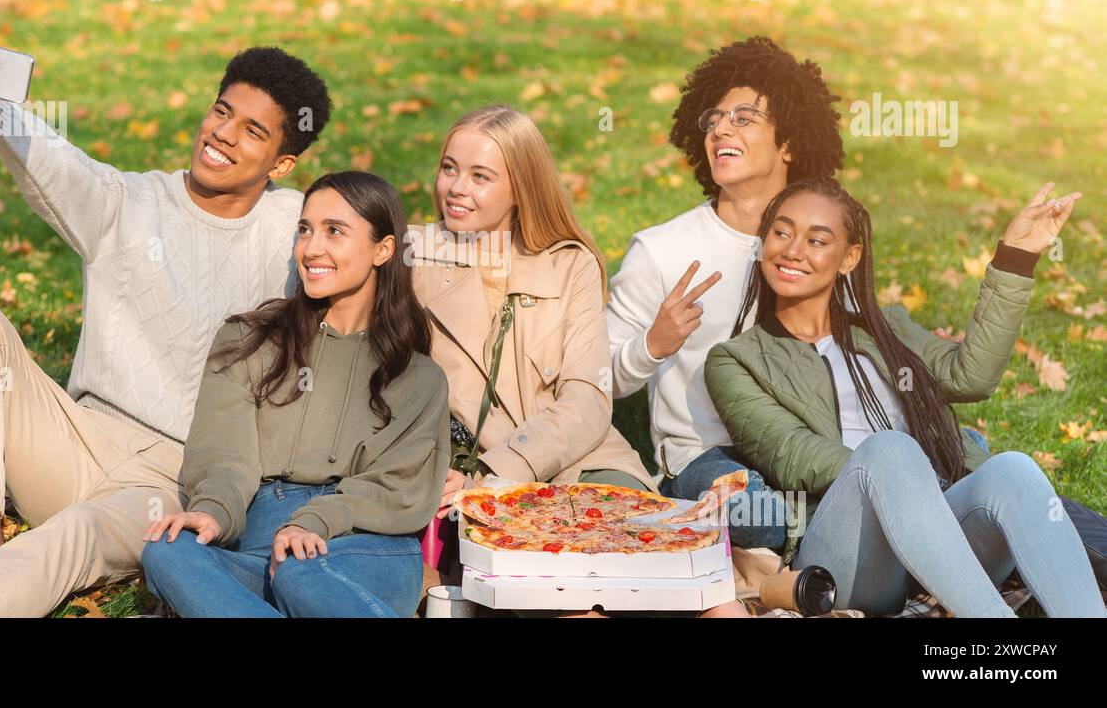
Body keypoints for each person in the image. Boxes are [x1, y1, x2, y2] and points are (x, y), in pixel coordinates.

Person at [0, 35, 331, 617]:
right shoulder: (126, 202)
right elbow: (50, 158)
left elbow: (388, 251)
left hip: (174, 480)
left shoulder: (300, 229)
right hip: (74, 441)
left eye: (254, 131)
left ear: (283, 163)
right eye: (222, 112)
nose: (224, 134)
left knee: (75, 534)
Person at [705, 177, 1104, 617]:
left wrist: (1016, 258)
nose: (793, 250)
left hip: (943, 539)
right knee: (891, 451)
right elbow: (796, 458)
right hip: (850, 554)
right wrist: (908, 480)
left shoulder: (885, 329)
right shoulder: (736, 360)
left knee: (1013, 469)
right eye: (781, 233)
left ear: (849, 258)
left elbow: (970, 378)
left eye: (817, 239)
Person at [410, 105, 748, 617]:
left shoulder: (570, 263)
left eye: (481, 176)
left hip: (586, 464)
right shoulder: (416, 257)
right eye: (449, 168)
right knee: (581, 602)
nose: (456, 188)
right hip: (482, 482)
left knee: (702, 586)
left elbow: (588, 399)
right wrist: (475, 476)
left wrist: (502, 468)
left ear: (520, 186)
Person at [141, 171, 449, 617]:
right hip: (256, 545)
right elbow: (225, 454)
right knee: (165, 551)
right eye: (305, 229)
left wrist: (315, 520)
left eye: (334, 231)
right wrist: (213, 510)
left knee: (298, 570)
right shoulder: (249, 340)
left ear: (383, 249)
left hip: (361, 546)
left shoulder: (417, 376)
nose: (311, 248)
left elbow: (395, 488)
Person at [606, 36, 845, 549]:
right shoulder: (660, 251)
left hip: (806, 445)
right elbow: (595, 378)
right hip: (703, 458)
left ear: (788, 142)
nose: (720, 130)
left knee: (961, 453)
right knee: (755, 513)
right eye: (713, 120)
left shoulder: (817, 244)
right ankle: (832, 537)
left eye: (742, 118)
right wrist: (652, 345)